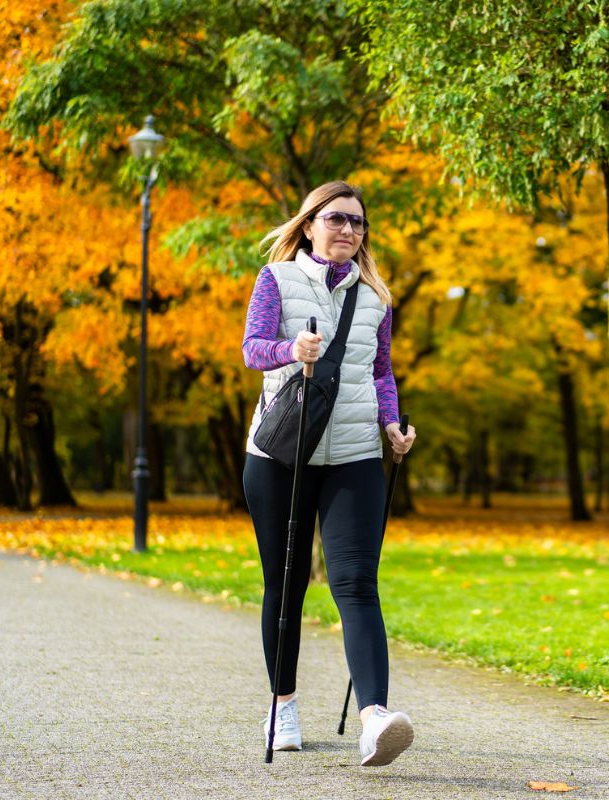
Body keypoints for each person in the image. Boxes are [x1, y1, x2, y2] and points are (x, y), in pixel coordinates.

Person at [240, 180, 417, 766]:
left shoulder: (376, 297)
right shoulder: (276, 279)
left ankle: (375, 720)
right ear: (310, 224)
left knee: (357, 583)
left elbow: (381, 371)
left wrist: (391, 425)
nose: (348, 229)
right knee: (285, 584)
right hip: (281, 456)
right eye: (336, 218)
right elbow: (252, 348)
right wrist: (292, 350)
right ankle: (282, 706)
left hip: (355, 454)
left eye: (357, 222)